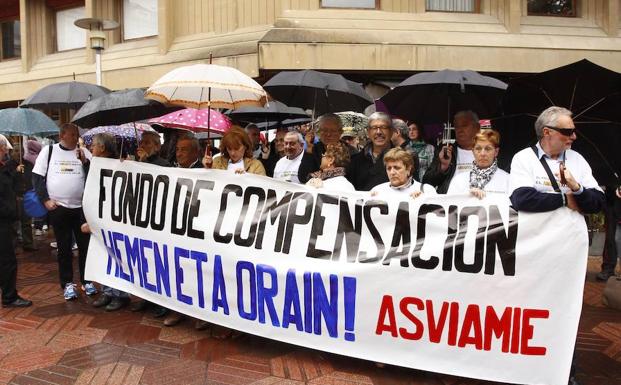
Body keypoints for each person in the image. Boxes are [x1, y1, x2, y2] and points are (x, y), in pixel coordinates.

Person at [508, 106, 605, 385]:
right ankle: (526, 366)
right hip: (532, 250)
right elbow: (521, 198)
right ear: (547, 133)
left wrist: (576, 188)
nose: (573, 136)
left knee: (567, 309)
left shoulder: (578, 161)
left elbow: (596, 203)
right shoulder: (523, 159)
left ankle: (565, 371)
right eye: (567, 131)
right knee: (530, 307)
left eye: (572, 131)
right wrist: (564, 200)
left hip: (569, 250)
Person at [32, 123, 95, 300]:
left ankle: (87, 281)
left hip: (82, 209)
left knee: (85, 246)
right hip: (59, 208)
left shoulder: (84, 152)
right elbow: (37, 177)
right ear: (62, 135)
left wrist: (85, 161)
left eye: (77, 135)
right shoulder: (49, 151)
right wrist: (46, 200)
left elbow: (94, 174)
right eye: (73, 134)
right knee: (64, 247)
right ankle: (67, 283)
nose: (76, 138)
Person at [82, 134, 130, 311]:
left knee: (118, 255)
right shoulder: (94, 165)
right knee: (104, 255)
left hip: (115, 219)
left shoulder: (117, 165)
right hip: (99, 218)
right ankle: (107, 291)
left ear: (102, 148)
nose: (91, 148)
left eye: (93, 145)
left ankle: (120, 294)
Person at [0, 136, 32, 308]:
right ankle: (9, 296)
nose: (6, 152)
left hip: (6, 221)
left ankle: (8, 291)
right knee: (8, 260)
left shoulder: (4, 168)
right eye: (3, 149)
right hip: (3, 222)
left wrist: (12, 169)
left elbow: (13, 187)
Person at [423, 110, 481, 193]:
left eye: (464, 125)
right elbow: (427, 182)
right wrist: (443, 166)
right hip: (449, 203)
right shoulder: (446, 152)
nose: (459, 130)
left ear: (477, 128)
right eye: (456, 126)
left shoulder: (487, 152)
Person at [447, 129, 509, 198]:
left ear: (496, 152)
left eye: (488, 149)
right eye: (478, 149)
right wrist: (466, 197)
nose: (482, 154)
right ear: (473, 151)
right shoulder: (459, 180)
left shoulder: (507, 180)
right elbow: (450, 207)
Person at [298, 113, 354, 183]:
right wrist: (309, 150)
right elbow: (303, 178)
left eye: (332, 131)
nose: (328, 134)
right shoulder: (314, 149)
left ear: (340, 132)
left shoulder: (351, 152)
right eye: (324, 130)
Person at [347, 112, 394, 191]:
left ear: (391, 131)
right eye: (374, 128)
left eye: (383, 127)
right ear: (368, 132)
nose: (378, 132)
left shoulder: (403, 158)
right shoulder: (355, 160)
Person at [370, 147, 436, 199]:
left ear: (408, 169)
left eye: (397, 168)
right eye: (389, 168)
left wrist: (423, 201)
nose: (392, 172)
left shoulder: (426, 191)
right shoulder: (377, 191)